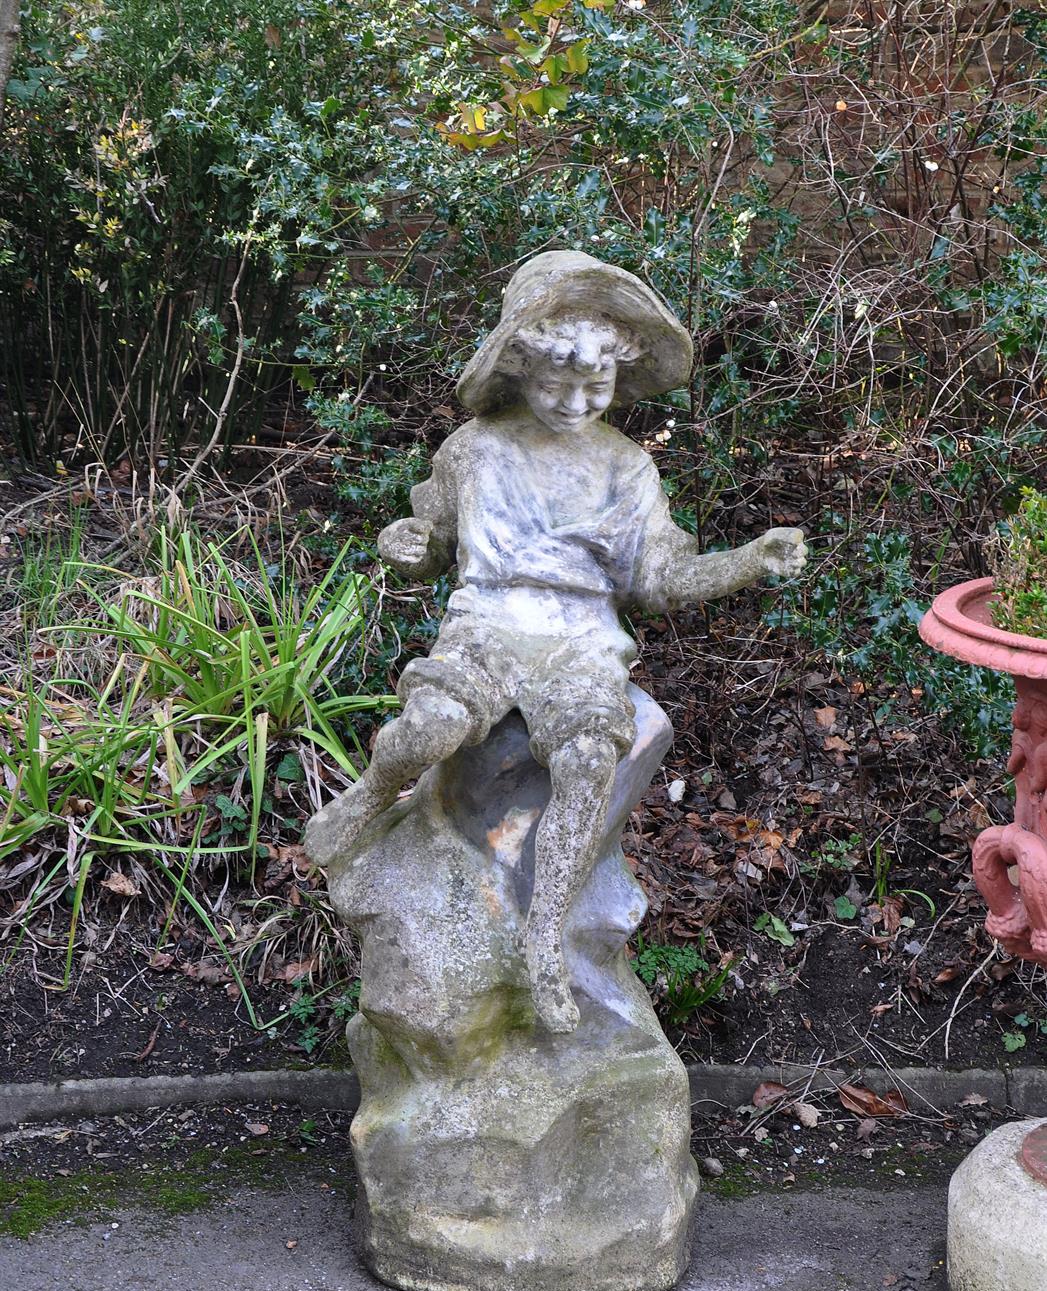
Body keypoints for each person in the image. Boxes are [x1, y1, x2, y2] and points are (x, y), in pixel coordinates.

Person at [305, 250, 806, 1034]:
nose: (576, 402)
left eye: (595, 386)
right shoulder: (473, 449)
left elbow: (657, 581)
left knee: (584, 761)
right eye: (555, 384)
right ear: (518, 368)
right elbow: (431, 539)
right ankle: (374, 791)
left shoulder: (626, 467)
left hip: (580, 640)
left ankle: (546, 936)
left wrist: (747, 561)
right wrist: (405, 544)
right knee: (434, 726)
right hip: (487, 622)